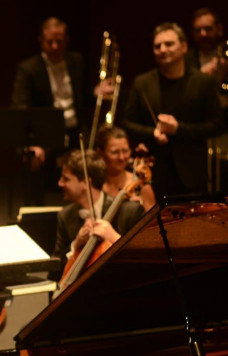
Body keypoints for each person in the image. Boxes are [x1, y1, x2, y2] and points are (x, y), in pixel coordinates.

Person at [122, 22, 224, 197]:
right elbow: (127, 123)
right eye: (157, 46)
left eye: (168, 44)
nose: (162, 50)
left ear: (184, 47)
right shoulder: (142, 83)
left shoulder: (203, 82)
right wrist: (152, 132)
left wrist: (178, 129)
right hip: (152, 173)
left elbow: (217, 125)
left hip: (192, 174)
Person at [11, 17, 89, 205]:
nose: (55, 46)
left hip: (75, 132)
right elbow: (20, 108)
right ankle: (35, 217)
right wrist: (33, 144)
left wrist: (97, 92)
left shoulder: (77, 61)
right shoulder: (29, 68)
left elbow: (83, 98)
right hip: (44, 135)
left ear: (66, 41)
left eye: (59, 42)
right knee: (33, 159)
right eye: (50, 42)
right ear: (41, 42)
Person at [52, 150, 144, 277]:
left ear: (85, 183)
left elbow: (143, 263)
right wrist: (75, 245)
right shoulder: (65, 216)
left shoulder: (129, 212)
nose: (60, 183)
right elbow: (54, 272)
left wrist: (115, 239)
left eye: (66, 179)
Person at [94, 127, 156, 212]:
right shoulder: (95, 186)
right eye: (114, 152)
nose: (121, 157)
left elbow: (153, 221)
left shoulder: (141, 185)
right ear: (100, 152)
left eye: (125, 151)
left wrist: (140, 211)